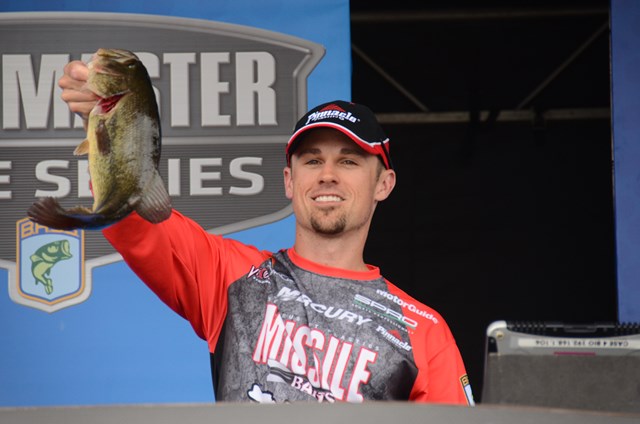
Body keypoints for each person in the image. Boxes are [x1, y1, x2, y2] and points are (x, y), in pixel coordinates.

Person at [59, 60, 475, 405]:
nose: (327, 175)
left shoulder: (424, 330)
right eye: (312, 161)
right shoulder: (231, 278)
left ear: (383, 184)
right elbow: (134, 216)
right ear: (289, 181)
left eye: (348, 161)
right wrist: (111, 125)